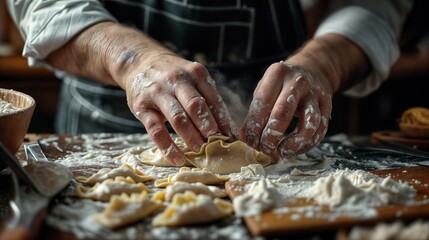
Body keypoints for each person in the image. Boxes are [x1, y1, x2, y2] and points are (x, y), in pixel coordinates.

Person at [6, 0, 413, 166]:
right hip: (101, 131)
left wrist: (323, 64)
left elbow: (375, 6)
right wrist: (131, 59)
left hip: (284, 142)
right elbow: (43, 5)